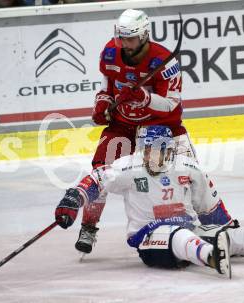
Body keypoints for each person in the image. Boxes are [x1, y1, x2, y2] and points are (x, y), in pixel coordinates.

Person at [55, 126, 244, 277]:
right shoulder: (128, 167)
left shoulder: (188, 167)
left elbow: (210, 207)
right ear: (142, 150)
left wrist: (226, 230)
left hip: (191, 229)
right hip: (149, 238)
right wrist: (72, 199)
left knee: (239, 235)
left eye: (158, 150)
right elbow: (96, 179)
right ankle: (213, 257)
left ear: (169, 151)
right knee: (178, 234)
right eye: (148, 150)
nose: (153, 156)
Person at [75, 8, 195, 255]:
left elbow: (171, 104)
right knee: (101, 172)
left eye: (130, 39)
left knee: (188, 172)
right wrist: (102, 102)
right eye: (122, 38)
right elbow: (107, 83)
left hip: (160, 126)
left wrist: (144, 97)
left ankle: (203, 224)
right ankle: (88, 227)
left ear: (143, 36)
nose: (125, 45)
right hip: (122, 125)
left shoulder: (164, 61)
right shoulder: (111, 51)